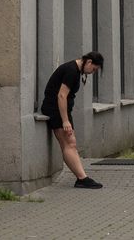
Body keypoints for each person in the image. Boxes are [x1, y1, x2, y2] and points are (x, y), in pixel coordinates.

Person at [40, 51, 105, 189]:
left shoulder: (74, 69)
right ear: (88, 62)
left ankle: (82, 177)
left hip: (60, 110)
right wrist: (65, 121)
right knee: (69, 143)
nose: (92, 72)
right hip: (56, 110)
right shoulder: (71, 71)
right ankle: (82, 178)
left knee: (70, 143)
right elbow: (62, 96)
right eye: (93, 69)